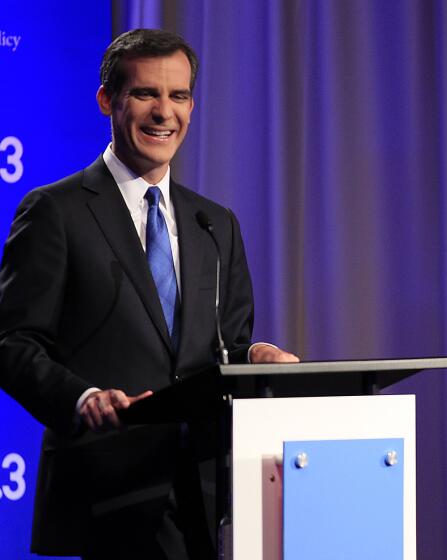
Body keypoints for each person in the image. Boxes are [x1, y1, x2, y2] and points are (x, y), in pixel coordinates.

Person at [0, 29, 297, 559]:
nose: (164, 112)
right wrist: (84, 398)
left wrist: (257, 356)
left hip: (203, 493)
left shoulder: (215, 223)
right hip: (109, 489)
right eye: (145, 94)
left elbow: (228, 340)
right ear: (106, 100)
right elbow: (13, 344)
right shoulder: (55, 211)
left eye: (178, 96)